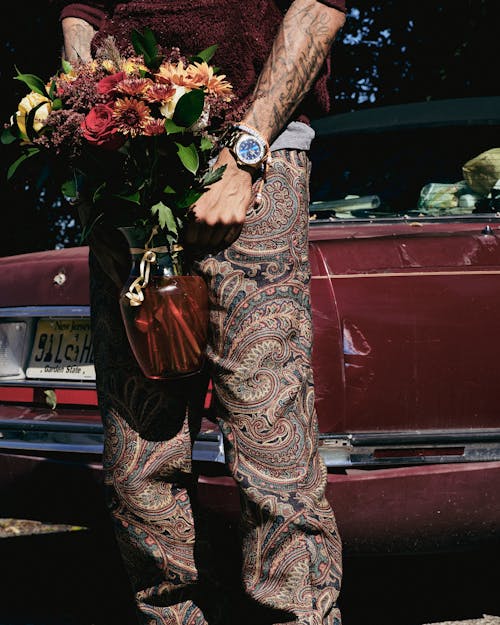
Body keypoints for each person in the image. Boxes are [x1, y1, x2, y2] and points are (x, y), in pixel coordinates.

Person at [58, 1, 346, 624]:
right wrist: (83, 108)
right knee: (139, 451)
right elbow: (81, 11)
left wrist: (247, 154)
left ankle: (300, 615)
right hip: (125, 170)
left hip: (248, 162)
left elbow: (318, 9)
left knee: (271, 433)